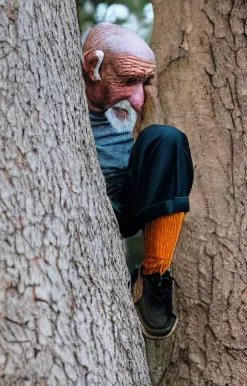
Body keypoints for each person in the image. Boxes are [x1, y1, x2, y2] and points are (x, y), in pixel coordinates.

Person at [82, 22, 194, 339]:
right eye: (128, 81)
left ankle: (153, 276)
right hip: (79, 199)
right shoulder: (60, 95)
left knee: (167, 138)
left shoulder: (134, 105)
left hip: (125, 205)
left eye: (144, 83)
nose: (138, 99)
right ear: (93, 66)